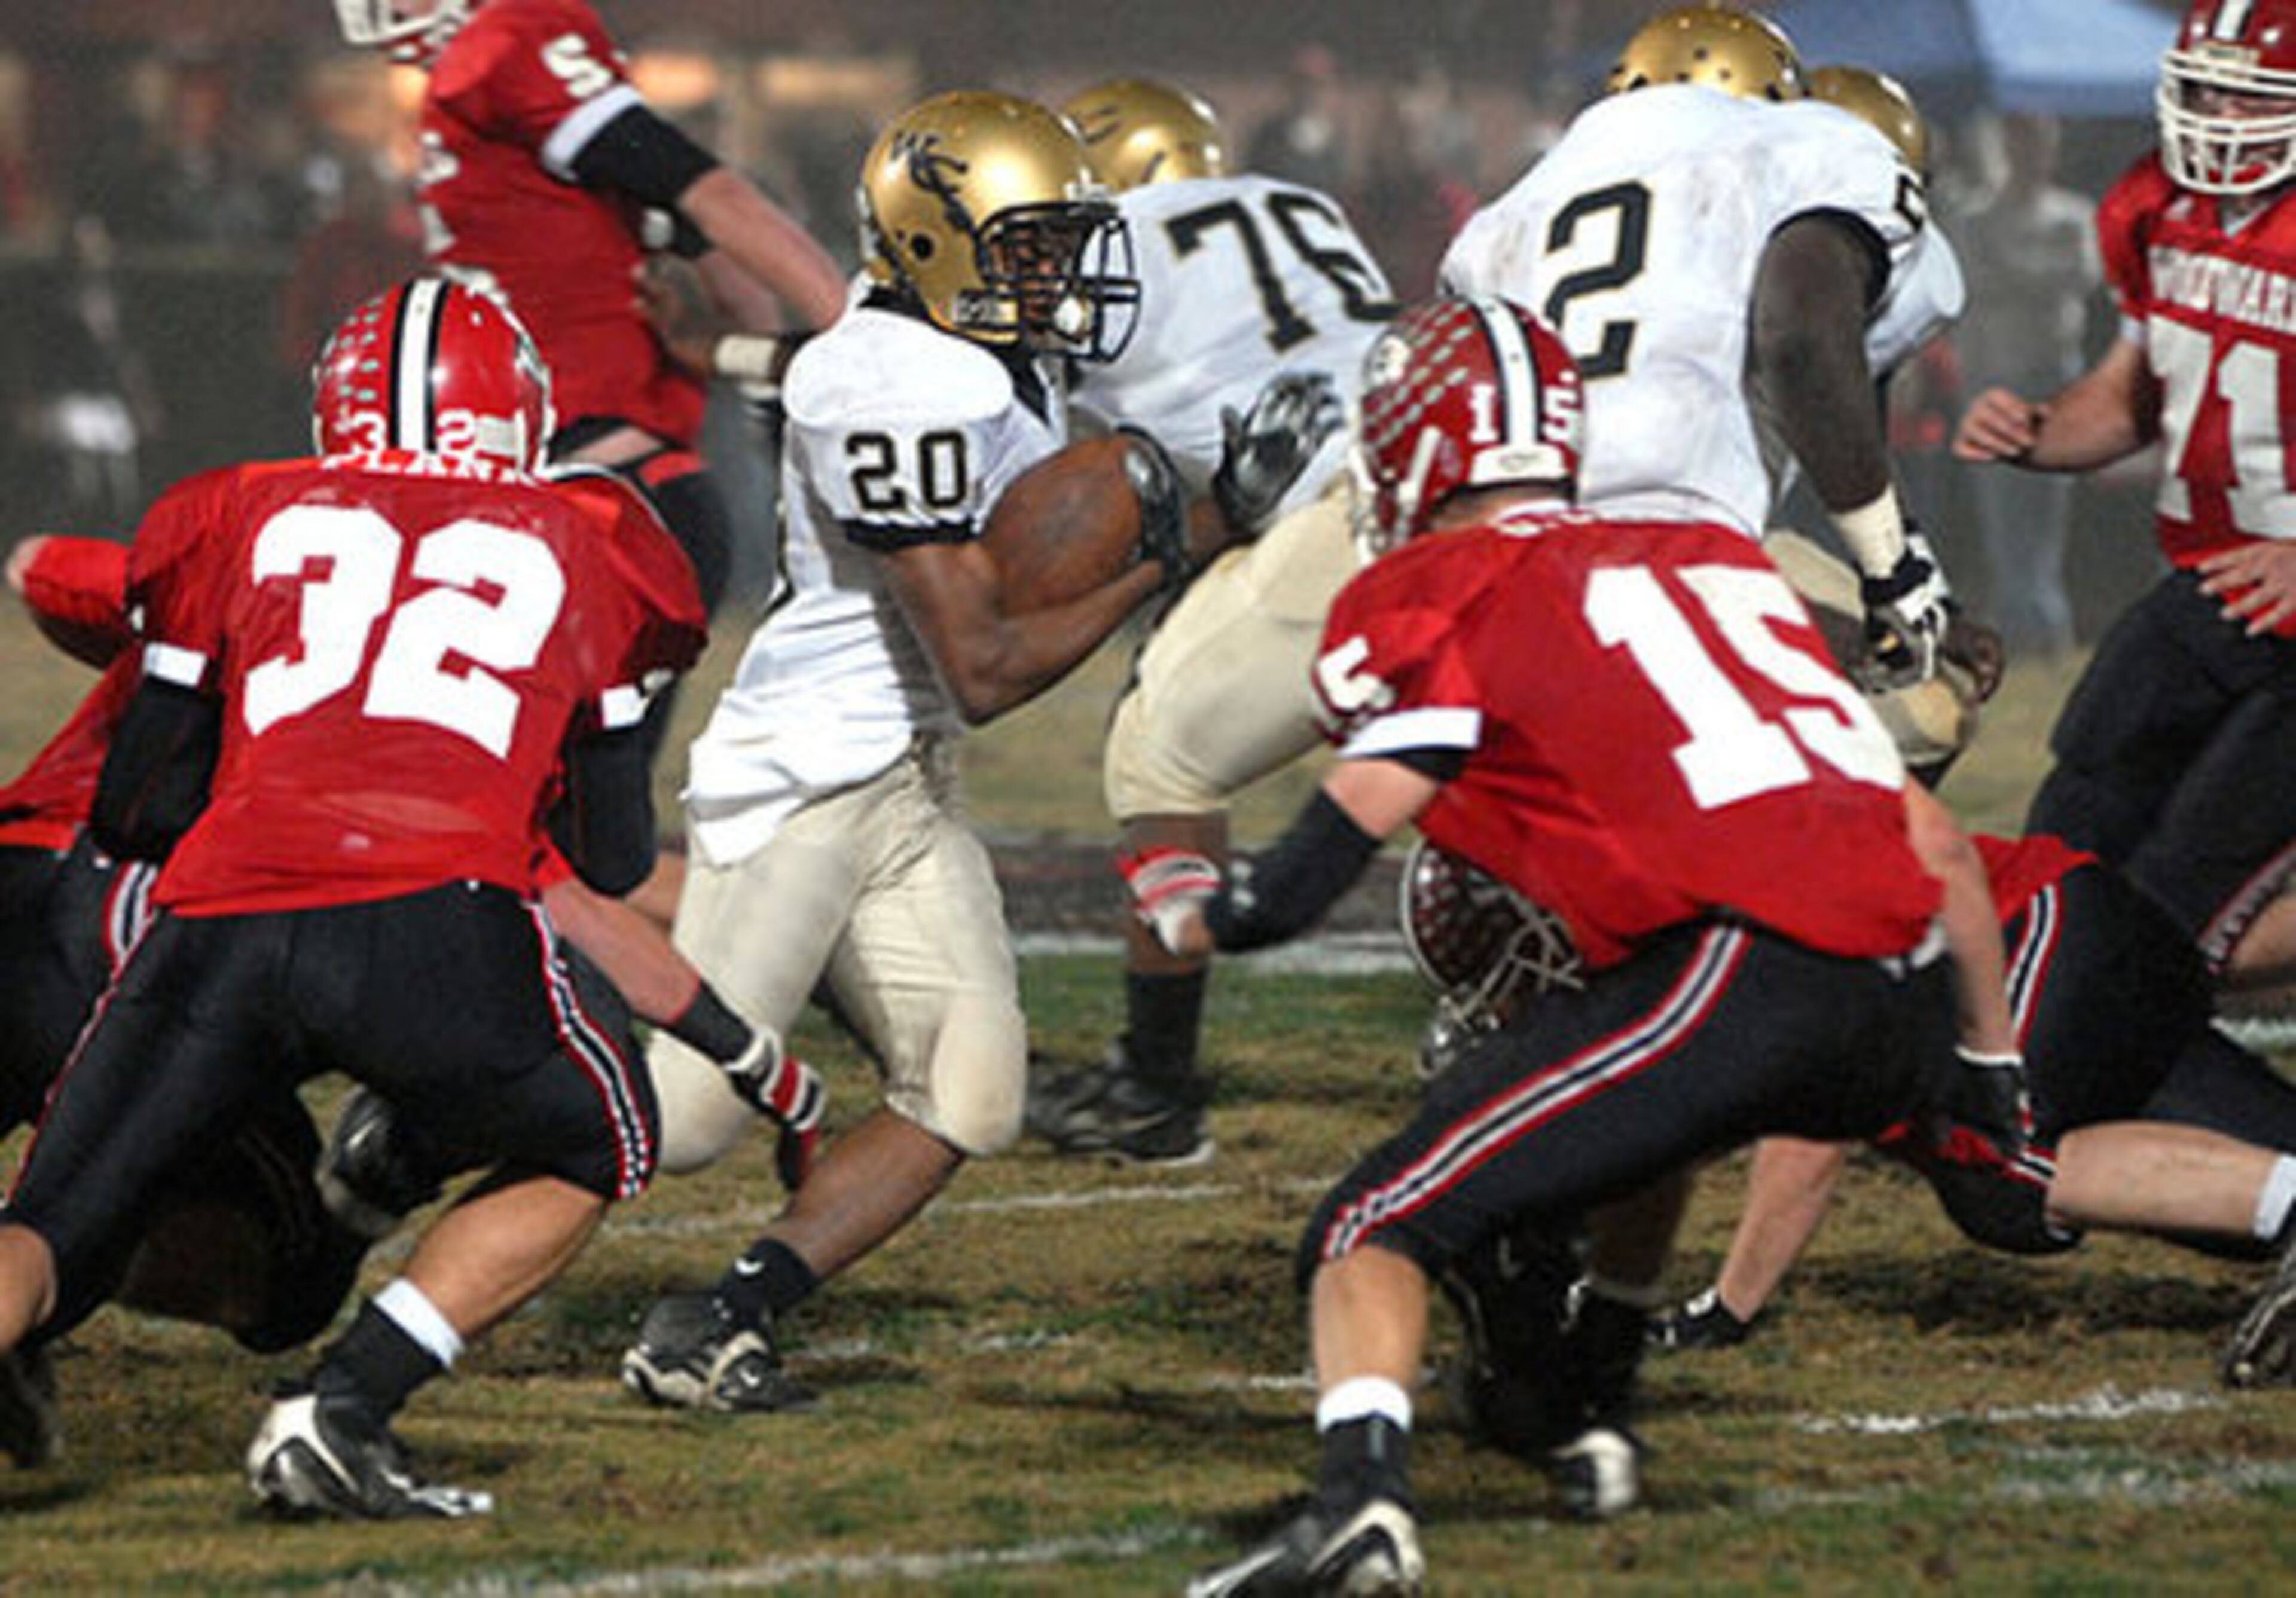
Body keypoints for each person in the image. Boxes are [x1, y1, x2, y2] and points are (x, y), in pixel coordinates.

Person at [1173, 294, 2005, 1596]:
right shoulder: (1711, 552)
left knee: (1372, 1219)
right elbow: (1938, 843)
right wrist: (1991, 1069)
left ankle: (1360, 1511)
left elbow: (1342, 839)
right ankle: (1595, 1401)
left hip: (1753, 967)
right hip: (1900, 994)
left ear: (1412, 454)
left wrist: (1212, 907)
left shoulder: (1441, 585)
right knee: (1652, 1098)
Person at [617, 91, 1336, 1414]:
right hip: (810, 775)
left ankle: (713, 1318)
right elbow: (988, 666)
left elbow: (817, 375)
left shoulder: (949, 350)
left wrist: (723, 344)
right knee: (691, 1117)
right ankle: (412, 1128)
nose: (1057, 277)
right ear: (938, 245)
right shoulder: (905, 377)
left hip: (906, 774)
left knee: (970, 1089)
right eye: (1030, 249)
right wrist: (1196, 533)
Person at [0, 277, 706, 1518]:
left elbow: (141, 806)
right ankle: (345, 1406)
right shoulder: (593, 536)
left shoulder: (239, 508)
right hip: (433, 915)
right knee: (606, 1128)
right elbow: (607, 853)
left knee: (50, 1225)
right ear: (519, 412)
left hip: (219, 915)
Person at [1023, 75, 1390, 1166]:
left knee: (1159, 752)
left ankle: (1153, 1086)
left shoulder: (1109, 244)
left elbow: (1036, 453)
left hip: (1350, 513)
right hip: (1473, 489)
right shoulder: (1306, 210)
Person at [330, 0, 848, 757]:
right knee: (553, 827)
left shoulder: (507, 42)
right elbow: (725, 267)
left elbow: (712, 194)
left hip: (600, 504)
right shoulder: (530, 133)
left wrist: (851, 331)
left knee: (538, 826)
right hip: (605, 493)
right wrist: (771, 378)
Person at [1441, 5, 1959, 691]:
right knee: (1909, 717)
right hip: (1683, 540)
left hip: (1508, 566)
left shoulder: (1493, 225)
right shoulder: (1807, 140)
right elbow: (1804, 336)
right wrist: (1892, 567)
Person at [1955, 0, 2296, 991]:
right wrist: (2039, 431)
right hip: (2209, 589)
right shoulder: (2160, 204)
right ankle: (2057, 1047)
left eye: (2251, 94)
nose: (2221, 116)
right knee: (2071, 841)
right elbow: (2127, 397)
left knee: (2184, 902)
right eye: (2207, 89)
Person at [1950, 112, 2102, 656]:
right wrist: (2033, 272)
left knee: (2046, 512)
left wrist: (2016, 267)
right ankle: (2025, 629)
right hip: (1993, 377)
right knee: (2002, 510)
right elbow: (1977, 282)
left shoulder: (2072, 216)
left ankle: (2042, 629)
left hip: (2053, 378)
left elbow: (2082, 275)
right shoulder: (1974, 220)